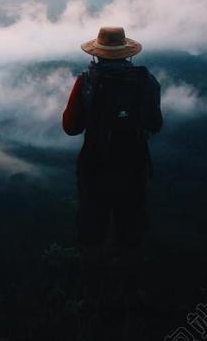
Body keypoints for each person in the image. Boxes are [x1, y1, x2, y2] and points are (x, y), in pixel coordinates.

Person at [62, 26, 162, 306]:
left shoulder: (86, 82)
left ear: (97, 54)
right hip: (133, 168)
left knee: (92, 233)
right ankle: (130, 297)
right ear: (127, 53)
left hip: (95, 169)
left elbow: (70, 127)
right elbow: (155, 123)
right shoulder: (145, 81)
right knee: (131, 232)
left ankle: (91, 299)